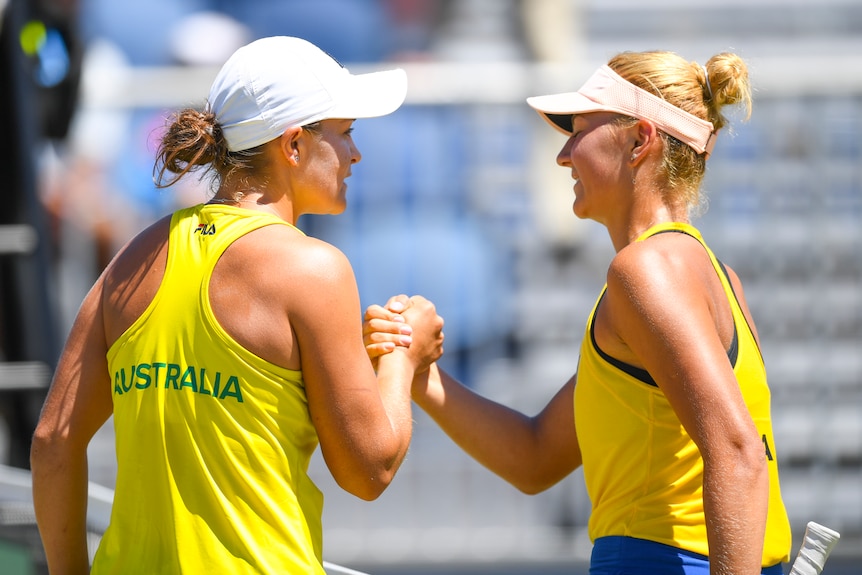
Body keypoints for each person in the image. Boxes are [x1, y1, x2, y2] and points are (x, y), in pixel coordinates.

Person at [365, 50, 792, 574]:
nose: (563, 154)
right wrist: (418, 373)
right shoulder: (710, 275)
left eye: (580, 128)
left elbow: (736, 450)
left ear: (640, 139)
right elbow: (536, 454)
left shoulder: (645, 272)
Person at [30, 36, 444, 574]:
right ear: (293, 145)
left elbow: (52, 441)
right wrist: (404, 355)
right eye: (345, 133)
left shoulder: (137, 254)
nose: (355, 153)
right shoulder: (313, 269)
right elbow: (369, 470)